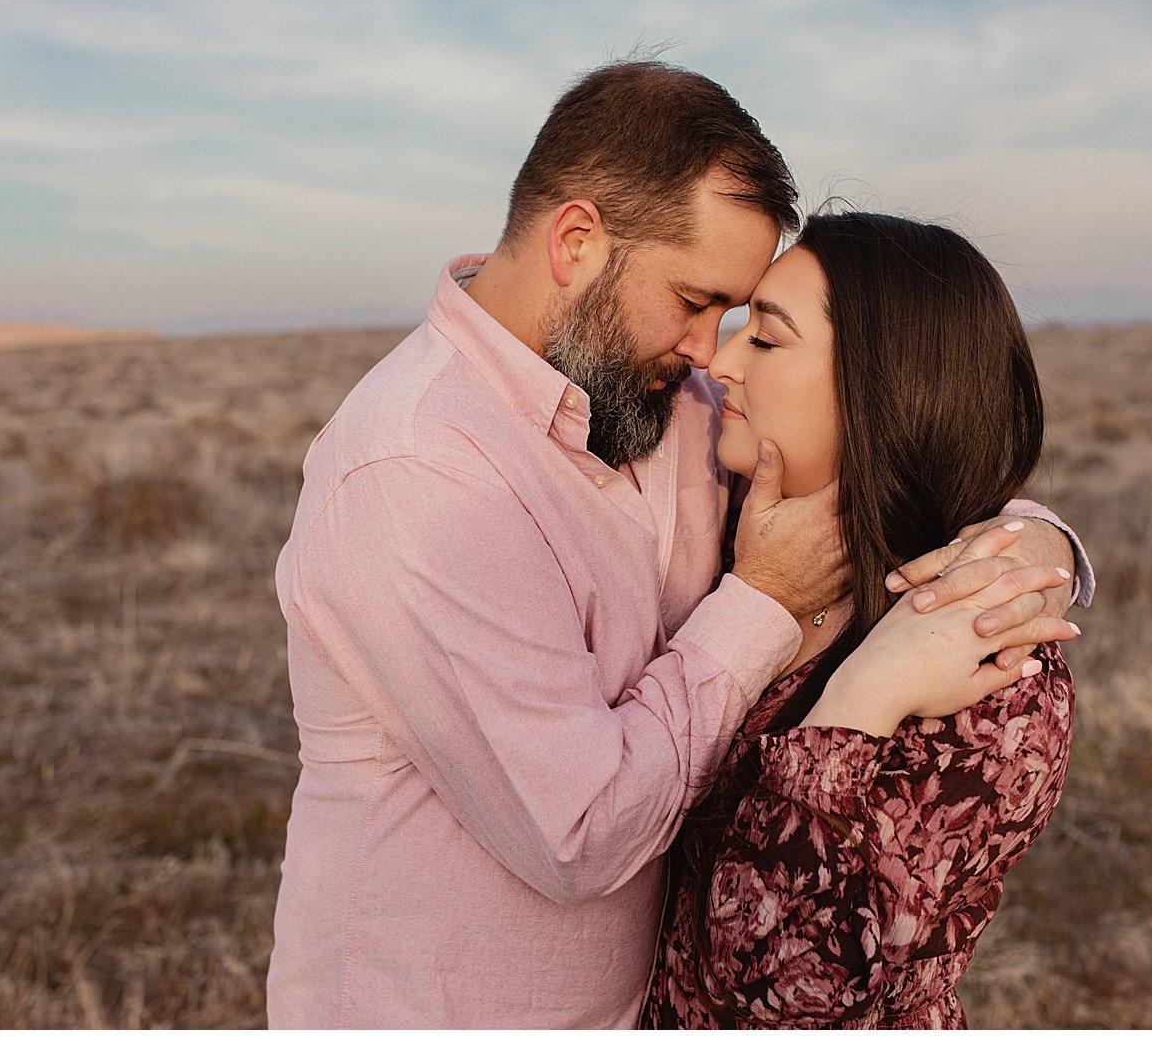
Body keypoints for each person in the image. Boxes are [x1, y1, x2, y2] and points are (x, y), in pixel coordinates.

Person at [267, 61, 1091, 1028]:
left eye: (741, 319)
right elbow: (579, 835)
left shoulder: (665, 399)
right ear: (576, 242)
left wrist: (1031, 549)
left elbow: (893, 446)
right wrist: (758, 607)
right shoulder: (417, 474)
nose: (712, 352)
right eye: (695, 301)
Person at [643, 212, 1079, 1029]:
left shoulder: (991, 668)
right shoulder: (731, 529)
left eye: (766, 341)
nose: (720, 364)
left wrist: (861, 701)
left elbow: (785, 989)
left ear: (886, 383)